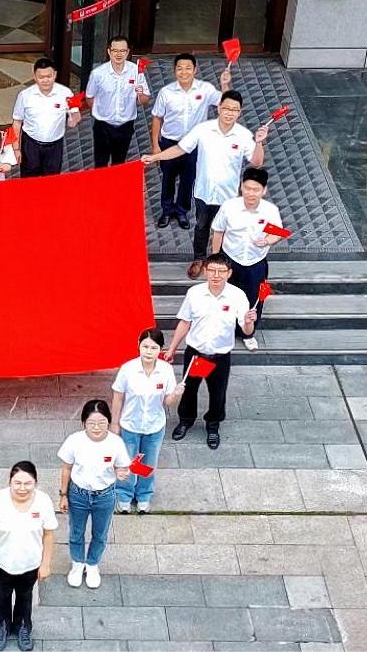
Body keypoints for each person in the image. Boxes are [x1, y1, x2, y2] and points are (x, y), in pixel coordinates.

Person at [143, 90, 267, 280]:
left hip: (228, 196)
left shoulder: (243, 135)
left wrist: (259, 143)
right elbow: (180, 148)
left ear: (239, 112)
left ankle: (222, 263)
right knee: (202, 226)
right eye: (226, 108)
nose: (229, 113)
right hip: (203, 192)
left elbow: (257, 162)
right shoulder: (203, 130)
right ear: (219, 108)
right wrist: (155, 157)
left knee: (225, 230)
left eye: (234, 110)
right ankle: (199, 259)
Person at [161, 252, 256, 450]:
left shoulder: (237, 296)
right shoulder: (194, 293)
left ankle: (213, 425)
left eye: (221, 271)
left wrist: (249, 322)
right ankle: (185, 420)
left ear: (229, 273)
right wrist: (172, 348)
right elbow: (185, 322)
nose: (216, 275)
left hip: (220, 356)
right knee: (188, 390)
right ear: (205, 271)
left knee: (218, 393)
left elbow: (247, 330)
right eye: (212, 270)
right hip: (196, 353)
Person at [0, 461, 56, 652]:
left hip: (30, 563)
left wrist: (45, 564)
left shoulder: (43, 501)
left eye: (27, 483)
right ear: (10, 482)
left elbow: (48, 534)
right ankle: (1, 628)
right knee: (2, 595)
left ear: (35, 482)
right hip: (0, 562)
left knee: (25, 596)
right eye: (17, 483)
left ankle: (23, 627)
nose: (22, 488)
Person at [149, 53, 231, 231]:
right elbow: (156, 118)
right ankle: (166, 211)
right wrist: (155, 145)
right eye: (180, 68)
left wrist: (225, 84)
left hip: (194, 145)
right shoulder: (166, 92)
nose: (184, 72)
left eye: (188, 68)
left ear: (195, 70)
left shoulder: (205, 89)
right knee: (168, 178)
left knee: (188, 180)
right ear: (174, 71)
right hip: (170, 143)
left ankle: (182, 212)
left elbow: (225, 104)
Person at [57, 400, 130, 590]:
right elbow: (66, 468)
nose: (96, 427)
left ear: (109, 422)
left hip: (104, 495)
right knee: (76, 532)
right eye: (91, 423)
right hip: (78, 494)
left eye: (102, 422)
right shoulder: (75, 440)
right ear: (84, 423)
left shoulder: (115, 443)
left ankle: (92, 564)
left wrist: (121, 473)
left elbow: (121, 467)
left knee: (100, 533)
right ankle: (77, 563)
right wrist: (63, 494)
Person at [110, 328, 184, 514]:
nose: (148, 352)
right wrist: (114, 423)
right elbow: (118, 396)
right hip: (130, 425)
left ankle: (144, 495)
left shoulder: (166, 370)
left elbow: (168, 401)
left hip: (154, 426)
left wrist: (176, 394)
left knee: (148, 463)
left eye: (153, 348)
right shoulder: (128, 369)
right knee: (128, 462)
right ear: (138, 346)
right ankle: (124, 495)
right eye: (145, 347)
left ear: (160, 349)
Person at [211, 167, 285, 352]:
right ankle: (223, 330)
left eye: (256, 189)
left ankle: (248, 334)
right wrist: (216, 259)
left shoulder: (270, 210)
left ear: (264, 190)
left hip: (255, 263)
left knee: (254, 300)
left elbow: (279, 232)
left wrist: (267, 240)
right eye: (247, 188)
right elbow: (218, 231)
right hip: (230, 259)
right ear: (241, 187)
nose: (251, 193)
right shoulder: (229, 207)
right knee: (224, 296)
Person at [85, 35, 150, 168]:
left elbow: (145, 100)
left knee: (119, 163)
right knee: (100, 164)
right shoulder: (98, 73)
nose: (118, 54)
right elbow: (89, 98)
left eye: (122, 51)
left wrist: (140, 93)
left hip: (125, 126)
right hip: (103, 126)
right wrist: (98, 112)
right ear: (109, 52)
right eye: (115, 50)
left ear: (127, 52)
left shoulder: (136, 72)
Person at [10, 57, 80, 177]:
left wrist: (73, 120)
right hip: (30, 145)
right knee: (28, 180)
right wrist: (16, 149)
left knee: (51, 180)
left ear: (55, 74)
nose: (45, 80)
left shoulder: (66, 93)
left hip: (55, 146)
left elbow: (75, 114)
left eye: (49, 76)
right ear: (35, 76)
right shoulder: (25, 95)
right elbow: (17, 123)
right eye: (41, 77)